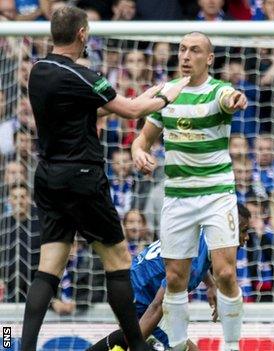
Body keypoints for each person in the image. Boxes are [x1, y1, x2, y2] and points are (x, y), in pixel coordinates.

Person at [21, 6, 188, 351]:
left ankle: (23, 347)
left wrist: (139, 100)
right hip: (82, 177)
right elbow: (129, 111)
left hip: (48, 177)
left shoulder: (38, 71)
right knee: (118, 261)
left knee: (49, 267)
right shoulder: (83, 74)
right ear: (82, 34)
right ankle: (137, 345)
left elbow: (93, 106)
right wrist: (164, 97)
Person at [131, 32, 248, 351]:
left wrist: (236, 99)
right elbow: (142, 139)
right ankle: (179, 345)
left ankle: (232, 344)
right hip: (179, 197)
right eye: (182, 49)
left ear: (208, 58)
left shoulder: (218, 90)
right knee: (175, 280)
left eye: (194, 50)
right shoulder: (165, 95)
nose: (186, 55)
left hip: (217, 194)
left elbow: (231, 98)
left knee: (225, 272)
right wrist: (138, 152)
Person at [86, 204, 251, 351]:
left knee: (134, 336)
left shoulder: (206, 235)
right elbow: (157, 306)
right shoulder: (190, 262)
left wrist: (210, 284)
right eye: (243, 230)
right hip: (141, 300)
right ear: (227, 230)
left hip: (137, 287)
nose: (246, 238)